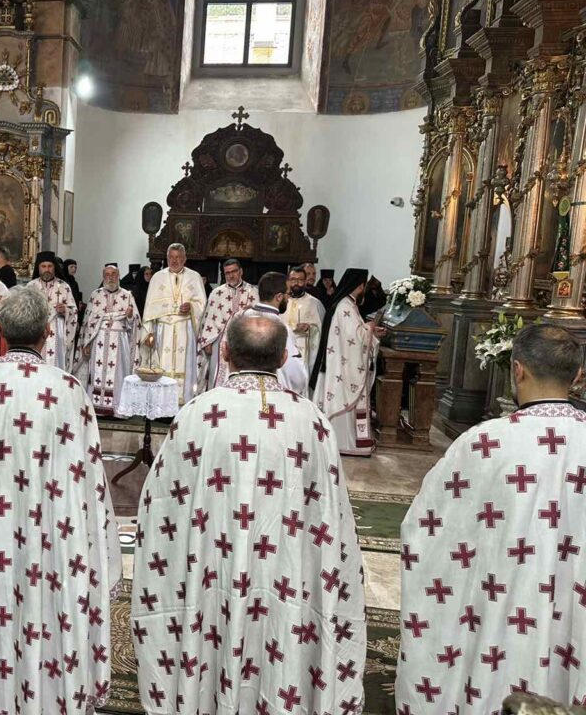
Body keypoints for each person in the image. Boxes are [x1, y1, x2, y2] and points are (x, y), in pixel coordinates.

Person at [132, 314, 365, 714]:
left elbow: (160, 509)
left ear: (225, 352)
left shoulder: (197, 414)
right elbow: (332, 517)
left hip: (210, 573)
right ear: (283, 358)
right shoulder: (313, 422)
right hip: (286, 574)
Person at [0, 287, 121, 713]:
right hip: (49, 544)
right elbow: (89, 481)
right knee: (46, 611)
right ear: (47, 333)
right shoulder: (67, 389)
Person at [397, 324, 586, 713]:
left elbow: (428, 528)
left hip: (498, 610)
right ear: (578, 376)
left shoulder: (485, 442)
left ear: (517, 370)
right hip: (572, 614)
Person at [310, 268, 385, 456]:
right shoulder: (345, 307)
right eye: (363, 286)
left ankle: (351, 442)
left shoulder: (348, 304)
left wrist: (369, 330)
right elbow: (354, 337)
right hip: (343, 366)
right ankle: (346, 443)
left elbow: (354, 333)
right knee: (343, 398)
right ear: (359, 286)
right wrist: (370, 327)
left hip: (342, 362)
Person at [140, 243, 206, 403]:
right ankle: (161, 403)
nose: (174, 261)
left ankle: (184, 402)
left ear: (184, 259)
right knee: (163, 364)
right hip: (163, 330)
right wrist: (148, 332)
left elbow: (202, 305)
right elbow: (149, 309)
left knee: (186, 365)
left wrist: (191, 307)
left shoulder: (194, 277)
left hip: (185, 329)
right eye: (171, 257)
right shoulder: (157, 278)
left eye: (178, 257)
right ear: (167, 258)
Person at [73, 263, 140, 415]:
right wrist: (86, 343)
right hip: (99, 340)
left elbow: (135, 323)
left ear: (119, 276)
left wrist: (130, 316)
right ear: (103, 277)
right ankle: (96, 407)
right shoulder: (95, 295)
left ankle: (117, 408)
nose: (110, 278)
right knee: (96, 372)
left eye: (113, 274)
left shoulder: (127, 296)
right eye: (107, 275)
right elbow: (87, 323)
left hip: (119, 341)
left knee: (118, 373)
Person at [238, 271, 310, 393]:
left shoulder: (241, 318)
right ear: (279, 297)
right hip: (270, 392)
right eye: (288, 294)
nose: (289, 298)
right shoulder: (281, 328)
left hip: (242, 389)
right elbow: (295, 374)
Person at [197, 258, 258, 390]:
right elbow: (208, 318)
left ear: (241, 271)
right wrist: (207, 342)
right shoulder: (217, 293)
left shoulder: (253, 292)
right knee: (216, 374)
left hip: (245, 341)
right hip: (219, 341)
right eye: (227, 273)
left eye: (234, 271)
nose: (231, 275)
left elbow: (258, 317)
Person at [27, 251, 79, 370]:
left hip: (57, 330)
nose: (47, 269)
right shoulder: (31, 286)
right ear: (38, 268)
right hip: (36, 330)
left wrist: (65, 310)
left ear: (54, 267)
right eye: (43, 266)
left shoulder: (64, 286)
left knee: (55, 363)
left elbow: (74, 311)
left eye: (50, 266)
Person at [285, 265, 324, 374]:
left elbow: (322, 330)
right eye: (293, 279)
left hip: (305, 354)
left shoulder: (315, 303)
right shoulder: (282, 301)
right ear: (288, 281)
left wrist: (309, 328)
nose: (296, 283)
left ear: (305, 281)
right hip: (284, 350)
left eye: (300, 280)